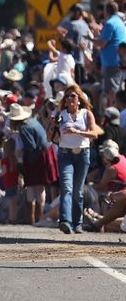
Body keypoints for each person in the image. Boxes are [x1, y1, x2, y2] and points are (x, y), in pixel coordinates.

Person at [55, 86, 104, 234]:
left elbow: (94, 134)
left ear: (79, 99)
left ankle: (77, 223)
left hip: (82, 154)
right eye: (67, 96)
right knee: (67, 187)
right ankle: (65, 221)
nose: (70, 99)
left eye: (73, 96)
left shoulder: (86, 114)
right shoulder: (61, 115)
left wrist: (77, 131)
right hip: (65, 154)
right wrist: (52, 127)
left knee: (78, 191)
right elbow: (53, 137)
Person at [94, 1, 126, 111]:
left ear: (106, 11)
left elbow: (102, 43)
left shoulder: (110, 23)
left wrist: (90, 39)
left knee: (110, 93)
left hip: (112, 63)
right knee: (114, 92)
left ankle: (110, 119)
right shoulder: (120, 22)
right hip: (117, 62)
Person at [57, 4, 90, 84]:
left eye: (73, 12)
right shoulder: (86, 25)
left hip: (71, 61)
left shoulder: (72, 25)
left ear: (78, 13)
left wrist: (62, 37)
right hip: (83, 61)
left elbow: (68, 43)